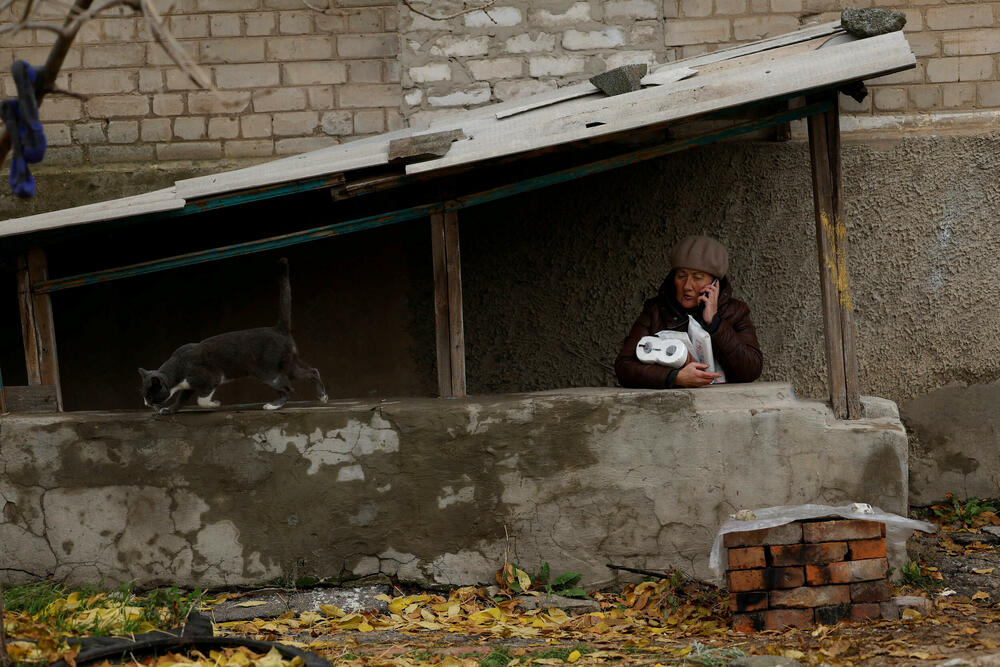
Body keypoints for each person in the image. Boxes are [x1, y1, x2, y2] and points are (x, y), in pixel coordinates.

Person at [615, 235, 763, 388]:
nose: (687, 286)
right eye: (681, 276)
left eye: (697, 278)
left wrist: (715, 324)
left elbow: (750, 370)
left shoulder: (735, 312)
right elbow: (624, 367)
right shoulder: (656, 310)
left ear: (714, 284)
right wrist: (674, 377)